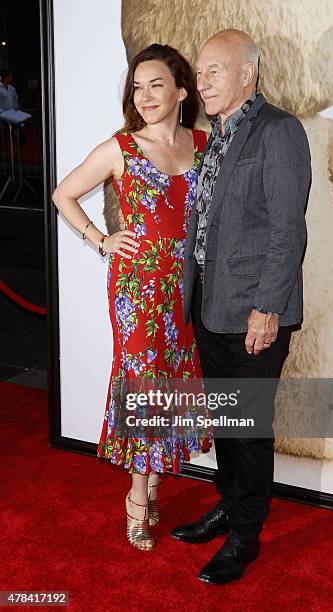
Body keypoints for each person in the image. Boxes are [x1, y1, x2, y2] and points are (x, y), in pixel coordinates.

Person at [52, 43, 210, 552]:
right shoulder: (121, 147)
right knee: (143, 384)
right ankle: (138, 497)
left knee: (174, 379)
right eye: (137, 86)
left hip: (188, 286)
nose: (144, 95)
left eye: (156, 84)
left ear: (182, 91)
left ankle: (157, 478)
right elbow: (63, 193)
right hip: (138, 288)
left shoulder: (206, 144)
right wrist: (101, 239)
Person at [171, 29, 311, 584]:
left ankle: (245, 536)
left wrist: (268, 308)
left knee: (249, 426)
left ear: (247, 73)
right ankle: (229, 505)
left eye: (212, 71)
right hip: (210, 304)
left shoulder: (278, 131)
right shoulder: (218, 134)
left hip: (255, 311)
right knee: (228, 420)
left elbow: (286, 230)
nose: (200, 82)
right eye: (199, 72)